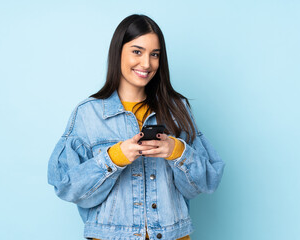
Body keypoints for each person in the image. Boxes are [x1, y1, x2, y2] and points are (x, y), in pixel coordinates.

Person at [47, 14, 225, 240]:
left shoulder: (176, 109)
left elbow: (206, 182)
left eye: (155, 55)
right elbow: (67, 187)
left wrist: (176, 151)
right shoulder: (88, 114)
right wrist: (114, 157)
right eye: (137, 51)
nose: (146, 63)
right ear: (118, 52)